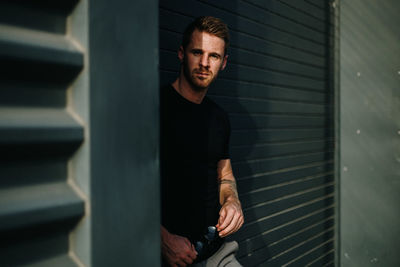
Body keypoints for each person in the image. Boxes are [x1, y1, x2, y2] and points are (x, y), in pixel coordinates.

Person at [160, 16, 244, 267]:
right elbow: (122, 184)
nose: (205, 63)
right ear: (181, 53)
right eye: (197, 52)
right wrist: (161, 239)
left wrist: (232, 201)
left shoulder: (219, 118)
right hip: (169, 256)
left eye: (214, 56)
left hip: (217, 252)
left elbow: (225, 176)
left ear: (224, 62)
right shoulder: (153, 107)